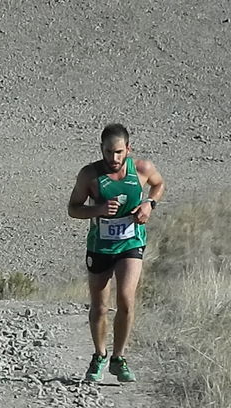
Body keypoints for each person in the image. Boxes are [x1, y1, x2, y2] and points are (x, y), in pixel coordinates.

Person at [67, 123, 165, 382]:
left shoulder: (142, 169)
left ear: (128, 149)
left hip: (130, 243)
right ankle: (99, 355)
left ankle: (119, 358)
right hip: (100, 245)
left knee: (125, 298)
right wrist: (97, 210)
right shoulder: (89, 175)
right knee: (99, 307)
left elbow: (158, 185)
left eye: (119, 152)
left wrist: (149, 204)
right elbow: (73, 208)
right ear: (101, 150)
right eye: (109, 152)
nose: (114, 158)